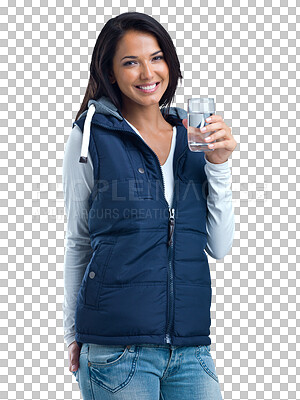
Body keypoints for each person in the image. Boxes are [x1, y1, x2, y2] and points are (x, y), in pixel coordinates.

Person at [62, 11, 237, 400]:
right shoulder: (91, 137)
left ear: (170, 64)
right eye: (130, 62)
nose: (147, 73)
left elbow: (219, 247)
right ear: (109, 73)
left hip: (192, 350)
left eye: (156, 58)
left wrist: (219, 166)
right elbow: (78, 240)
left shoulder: (194, 137)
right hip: (115, 352)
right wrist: (73, 335)